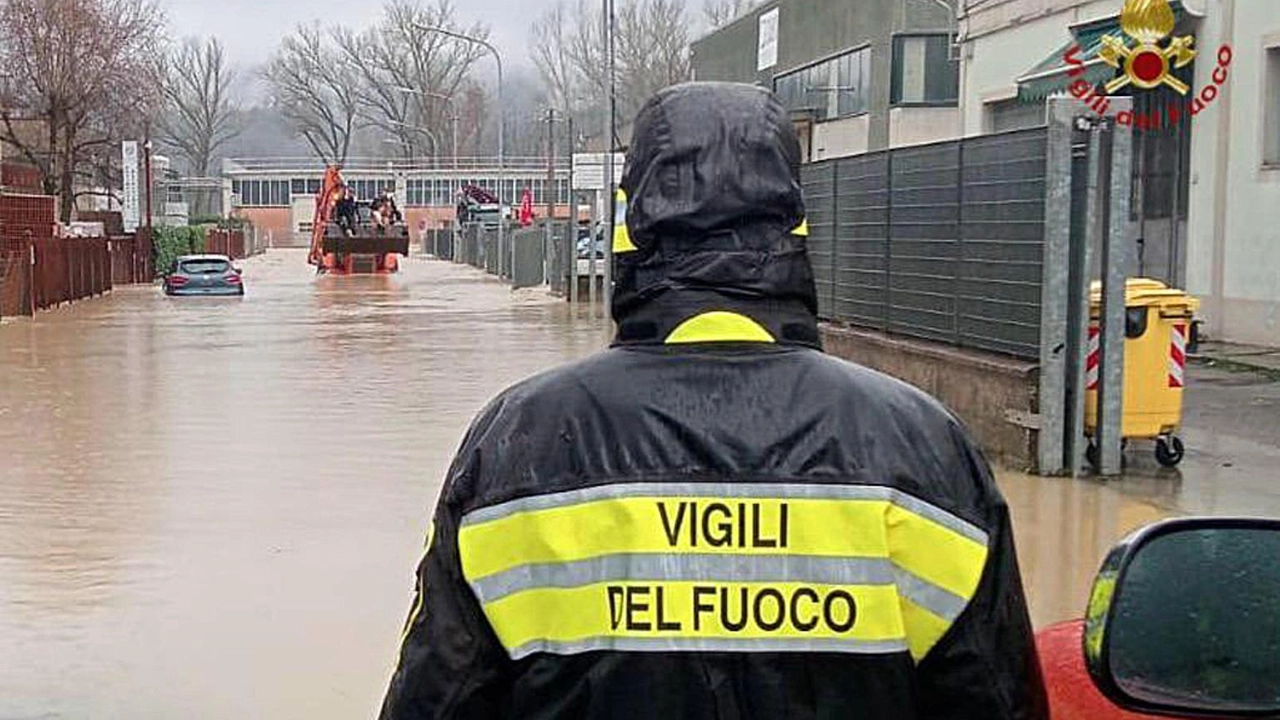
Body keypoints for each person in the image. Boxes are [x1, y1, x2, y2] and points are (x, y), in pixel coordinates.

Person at [378, 82, 1048, 720]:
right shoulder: (923, 449)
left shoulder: (517, 442)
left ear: (630, 224)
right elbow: (997, 698)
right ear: (795, 225)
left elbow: (434, 698)